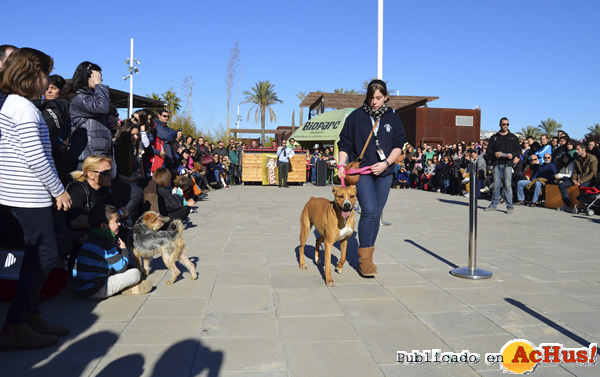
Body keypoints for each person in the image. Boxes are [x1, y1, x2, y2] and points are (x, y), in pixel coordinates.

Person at [0, 48, 72, 349]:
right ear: (30, 76)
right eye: (44, 74)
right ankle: (17, 323)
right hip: (27, 193)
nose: (48, 80)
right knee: (43, 255)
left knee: (36, 254)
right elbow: (36, 157)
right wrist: (59, 190)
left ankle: (30, 315)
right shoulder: (24, 109)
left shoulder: (18, 105)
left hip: (22, 191)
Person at [337, 80, 406, 276]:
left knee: (377, 212)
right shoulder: (356, 117)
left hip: (384, 171)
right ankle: (365, 262)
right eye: (371, 98)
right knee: (368, 211)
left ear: (385, 97)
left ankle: (369, 252)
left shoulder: (393, 118)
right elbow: (345, 144)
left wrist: (386, 164)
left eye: (378, 98)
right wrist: (341, 164)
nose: (374, 102)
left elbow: (399, 144)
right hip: (362, 172)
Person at [72, 204, 152, 299]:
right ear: (104, 226)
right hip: (96, 290)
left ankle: (122, 287)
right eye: (116, 221)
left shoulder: (89, 240)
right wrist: (124, 249)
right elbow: (122, 268)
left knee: (123, 268)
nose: (119, 224)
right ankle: (124, 288)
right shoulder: (105, 244)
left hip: (81, 289)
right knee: (135, 273)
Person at [63, 62, 111, 170]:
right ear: (87, 76)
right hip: (86, 158)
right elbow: (102, 107)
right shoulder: (78, 98)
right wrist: (99, 85)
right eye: (98, 76)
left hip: (95, 156)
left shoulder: (91, 97)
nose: (100, 80)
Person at [484, 117, 521, 214]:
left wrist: (512, 155)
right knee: (496, 184)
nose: (505, 126)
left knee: (507, 185)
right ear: (500, 125)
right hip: (497, 163)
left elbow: (518, 150)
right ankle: (493, 205)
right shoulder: (494, 137)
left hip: (507, 164)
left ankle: (509, 206)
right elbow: (488, 150)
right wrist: (495, 153)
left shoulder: (513, 137)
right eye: (504, 124)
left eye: (507, 124)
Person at [557, 143, 598, 213]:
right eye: (576, 149)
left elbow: (593, 173)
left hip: (589, 179)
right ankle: (568, 205)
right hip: (578, 179)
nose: (576, 151)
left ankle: (583, 206)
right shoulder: (577, 159)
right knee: (562, 185)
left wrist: (581, 181)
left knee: (582, 187)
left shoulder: (592, 158)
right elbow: (575, 171)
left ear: (584, 149)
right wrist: (573, 180)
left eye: (578, 149)